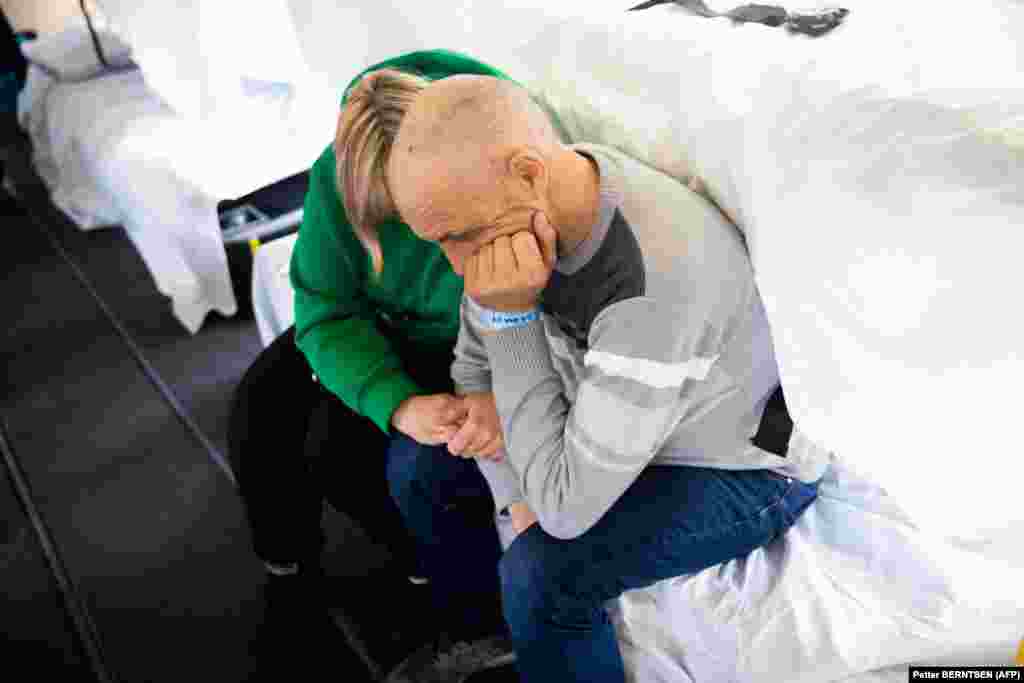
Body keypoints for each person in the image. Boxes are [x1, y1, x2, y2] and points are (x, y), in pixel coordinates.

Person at [372, 73, 832, 682]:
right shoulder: (523, 207)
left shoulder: (656, 284)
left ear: (529, 172)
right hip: (621, 420)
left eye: (461, 237)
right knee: (420, 464)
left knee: (543, 575)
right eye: (440, 242)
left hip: (741, 465)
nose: (459, 266)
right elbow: (472, 368)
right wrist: (513, 491)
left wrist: (511, 321)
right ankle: (485, 638)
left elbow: (562, 511)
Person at [227, 50, 532, 678]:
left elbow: (533, 309)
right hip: (387, 326)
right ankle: (286, 564)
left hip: (480, 340)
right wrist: (396, 400)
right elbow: (326, 310)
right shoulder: (337, 178)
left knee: (393, 461)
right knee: (259, 407)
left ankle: (457, 612)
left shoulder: (493, 154)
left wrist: (494, 388)